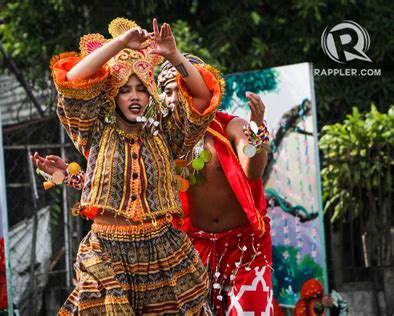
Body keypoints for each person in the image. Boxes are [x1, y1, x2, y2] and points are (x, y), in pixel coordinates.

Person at [46, 17, 223, 315]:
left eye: (140, 89)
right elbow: (73, 80)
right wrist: (118, 44)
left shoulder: (165, 132)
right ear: (113, 95)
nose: (134, 97)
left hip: (162, 251)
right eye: (126, 90)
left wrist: (174, 56)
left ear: (150, 93)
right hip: (106, 252)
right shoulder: (94, 131)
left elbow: (202, 96)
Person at [157, 55, 273, 315]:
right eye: (167, 91)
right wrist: (73, 178)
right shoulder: (161, 141)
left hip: (245, 247)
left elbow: (253, 170)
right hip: (195, 249)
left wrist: (257, 132)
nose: (174, 98)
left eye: (182, 89)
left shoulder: (231, 126)